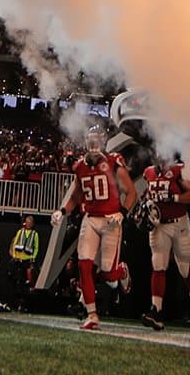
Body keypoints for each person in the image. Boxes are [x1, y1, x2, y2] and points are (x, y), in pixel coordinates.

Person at [51, 126, 135, 331]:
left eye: (97, 141)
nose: (94, 145)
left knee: (107, 273)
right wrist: (62, 211)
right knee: (84, 265)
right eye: (90, 141)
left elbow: (131, 192)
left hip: (110, 220)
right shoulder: (79, 166)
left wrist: (122, 212)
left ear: (104, 143)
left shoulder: (114, 162)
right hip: (90, 218)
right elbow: (76, 195)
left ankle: (121, 272)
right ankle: (92, 315)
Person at [139, 153, 190, 331]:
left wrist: (174, 198)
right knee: (158, 264)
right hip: (159, 226)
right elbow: (148, 194)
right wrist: (144, 205)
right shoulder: (149, 172)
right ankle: (156, 312)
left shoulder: (177, 171)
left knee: (183, 267)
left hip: (179, 224)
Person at [7, 215, 40, 311]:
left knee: (26, 283)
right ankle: (14, 302)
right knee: (16, 280)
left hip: (27, 260)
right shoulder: (20, 232)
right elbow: (14, 243)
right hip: (18, 260)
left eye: (30, 222)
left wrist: (33, 257)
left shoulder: (35, 234)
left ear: (32, 224)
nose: (28, 224)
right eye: (27, 222)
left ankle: (23, 304)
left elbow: (36, 247)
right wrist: (14, 255)